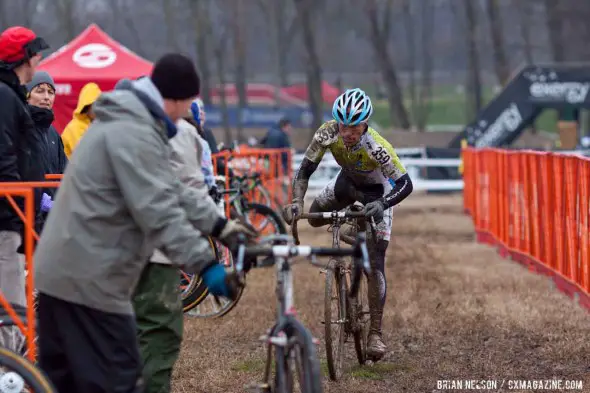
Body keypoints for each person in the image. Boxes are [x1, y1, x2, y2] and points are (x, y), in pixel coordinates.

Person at [34, 53, 256, 393]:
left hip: (78, 272)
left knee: (91, 381)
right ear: (175, 99)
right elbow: (158, 209)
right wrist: (207, 265)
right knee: (118, 379)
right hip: (82, 278)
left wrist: (220, 226)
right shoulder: (131, 132)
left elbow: (172, 187)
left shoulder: (137, 126)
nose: (187, 115)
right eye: (188, 105)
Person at [282, 88, 413, 362]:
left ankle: (375, 333)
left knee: (375, 261)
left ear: (365, 123)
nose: (348, 133)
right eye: (344, 126)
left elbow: (405, 183)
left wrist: (384, 204)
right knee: (316, 217)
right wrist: (296, 202)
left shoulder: (377, 147)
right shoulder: (327, 133)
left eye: (354, 127)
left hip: (378, 196)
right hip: (346, 185)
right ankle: (348, 230)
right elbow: (304, 170)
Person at [0, 26, 49, 350]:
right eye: (35, 53)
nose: (39, 59)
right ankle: (9, 375)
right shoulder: (4, 96)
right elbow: (3, 155)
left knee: (15, 306)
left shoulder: (11, 94)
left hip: (14, 217)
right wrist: (17, 207)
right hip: (6, 218)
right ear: (24, 58)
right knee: (11, 310)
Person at [25, 71, 68, 227]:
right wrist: (39, 199)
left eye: (50, 92)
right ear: (27, 95)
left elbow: (64, 169)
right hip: (25, 214)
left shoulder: (53, 133)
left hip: (53, 217)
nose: (46, 97)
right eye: (40, 90)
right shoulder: (21, 128)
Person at [60, 81, 101, 158]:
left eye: (99, 104)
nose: (97, 109)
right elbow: (85, 156)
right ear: (86, 106)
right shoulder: (74, 128)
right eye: (94, 105)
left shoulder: (96, 125)